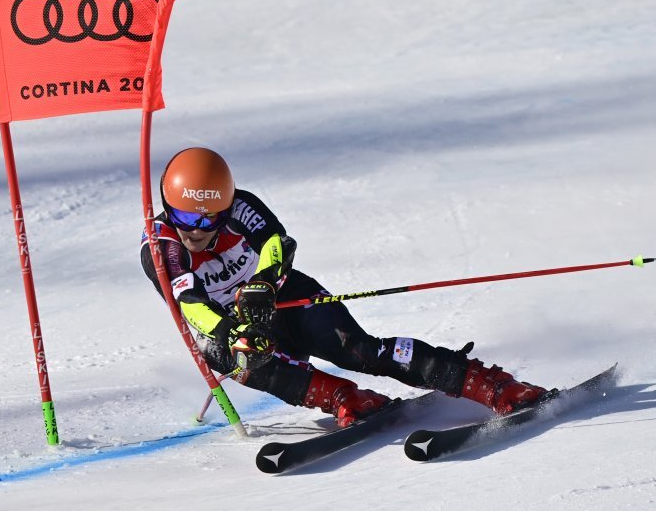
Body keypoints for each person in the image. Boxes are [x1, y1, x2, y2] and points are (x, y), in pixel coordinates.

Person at [141, 147, 549, 427]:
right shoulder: (161, 247)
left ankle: (487, 384)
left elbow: (277, 243)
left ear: (226, 207)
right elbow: (189, 302)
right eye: (184, 216)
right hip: (235, 323)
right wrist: (233, 330)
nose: (196, 230)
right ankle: (340, 398)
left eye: (209, 218)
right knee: (227, 354)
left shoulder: (241, 206)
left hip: (284, 296)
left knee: (359, 350)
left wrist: (264, 282)